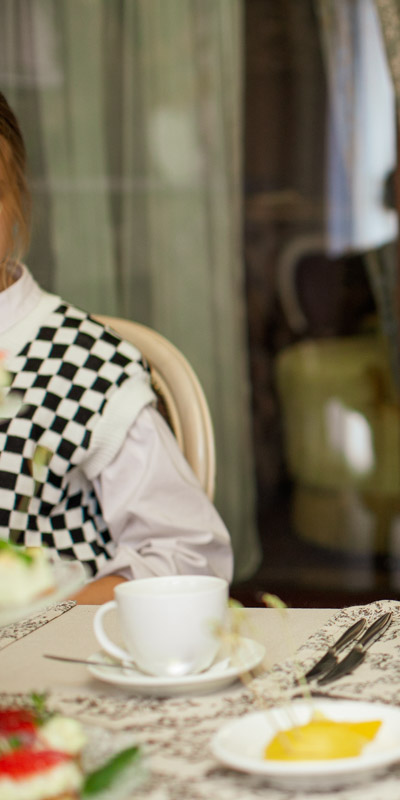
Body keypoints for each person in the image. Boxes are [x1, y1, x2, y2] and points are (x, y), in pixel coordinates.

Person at [0, 90, 233, 604]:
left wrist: (47, 610)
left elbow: (190, 557)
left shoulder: (84, 366)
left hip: (41, 661)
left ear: (17, 198)